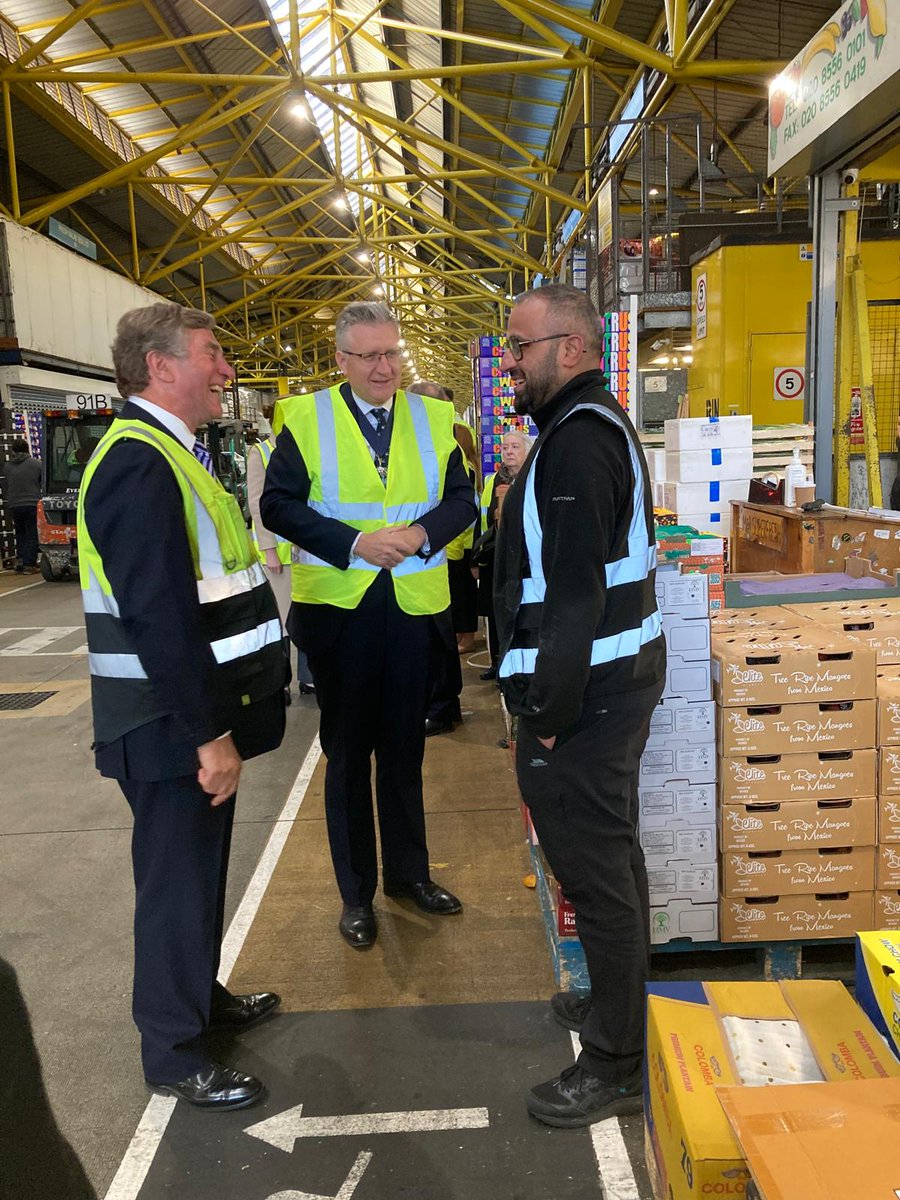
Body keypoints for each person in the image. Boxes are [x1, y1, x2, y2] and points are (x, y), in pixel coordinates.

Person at [76, 303, 287, 1111]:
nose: (225, 371)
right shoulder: (139, 462)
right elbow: (158, 613)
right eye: (211, 354)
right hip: (166, 725)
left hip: (186, 718)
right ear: (160, 367)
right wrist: (209, 735)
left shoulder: (174, 453)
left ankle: (200, 998)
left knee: (199, 873)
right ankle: (172, 1049)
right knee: (174, 882)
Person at [493, 284, 665, 1127]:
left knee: (596, 876)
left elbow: (572, 597)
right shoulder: (577, 431)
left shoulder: (577, 445)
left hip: (587, 700)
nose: (509, 363)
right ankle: (616, 1009)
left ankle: (615, 1063)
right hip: (611, 686)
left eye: (520, 347)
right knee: (612, 862)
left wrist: (549, 714)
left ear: (570, 348)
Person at [261, 302, 478, 950]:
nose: (385, 367)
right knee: (350, 756)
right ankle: (356, 895)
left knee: (406, 752)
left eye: (392, 354)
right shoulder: (304, 418)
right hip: (340, 611)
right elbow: (277, 505)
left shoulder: (434, 417)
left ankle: (408, 876)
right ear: (342, 360)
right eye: (369, 356)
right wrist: (354, 542)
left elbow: (463, 500)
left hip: (411, 611)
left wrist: (418, 533)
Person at [409, 379, 478, 735]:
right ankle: (442, 706)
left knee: (438, 646)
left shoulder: (444, 451)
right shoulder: (428, 448)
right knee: (436, 644)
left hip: (433, 562)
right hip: (424, 568)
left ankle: (442, 708)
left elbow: (463, 506)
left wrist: (420, 538)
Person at [246, 406, 315, 699]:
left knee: (308, 617)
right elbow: (257, 504)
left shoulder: (306, 447)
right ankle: (280, 682)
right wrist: (269, 549)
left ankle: (309, 678)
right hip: (279, 556)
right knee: (281, 622)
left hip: (307, 551)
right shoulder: (260, 453)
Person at [475, 429, 530, 680]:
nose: (508, 451)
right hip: (495, 555)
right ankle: (498, 663)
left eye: (515, 447)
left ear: (527, 451)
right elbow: (483, 520)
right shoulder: (494, 480)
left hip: (523, 558)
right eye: (505, 447)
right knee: (495, 611)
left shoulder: (532, 478)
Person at [0, 438, 42, 573]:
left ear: (13, 450)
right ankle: (29, 563)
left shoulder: (7, 467)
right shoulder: (36, 464)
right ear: (27, 449)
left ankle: (21, 560)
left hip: (14, 504)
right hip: (32, 503)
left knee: (20, 532)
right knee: (31, 532)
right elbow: (42, 483)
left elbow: (6, 484)